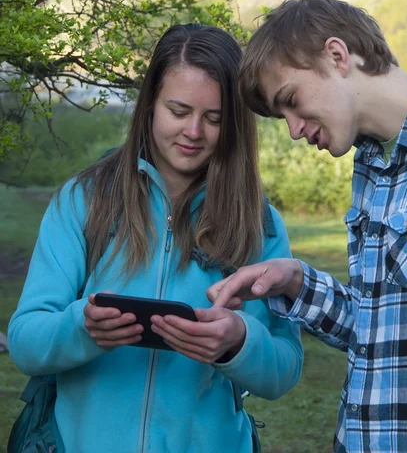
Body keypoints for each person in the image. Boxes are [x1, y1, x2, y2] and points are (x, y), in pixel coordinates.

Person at [8, 24, 303, 453]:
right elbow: (25, 343)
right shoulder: (82, 201)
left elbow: (285, 368)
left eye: (214, 118)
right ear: (149, 106)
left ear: (236, 124)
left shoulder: (260, 223)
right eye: (178, 111)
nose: (194, 132)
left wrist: (239, 341)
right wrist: (82, 328)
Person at [208, 0, 407, 453]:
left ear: (337, 55)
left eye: (292, 100)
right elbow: (384, 332)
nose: (294, 129)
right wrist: (294, 282)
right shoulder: (373, 166)